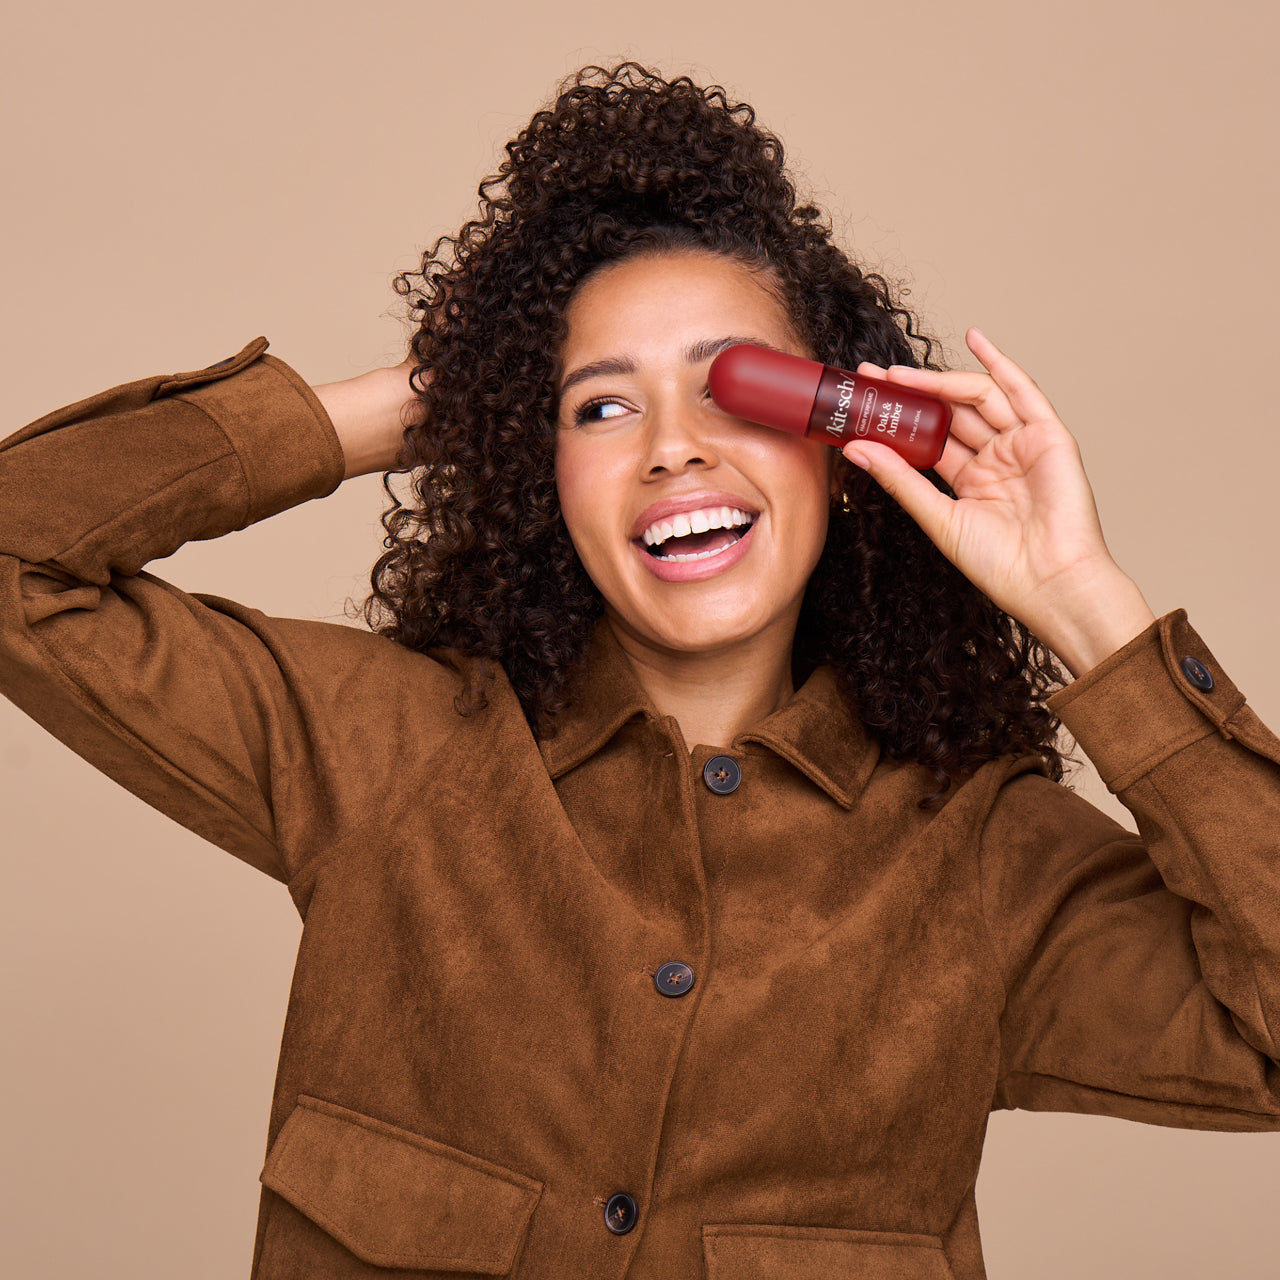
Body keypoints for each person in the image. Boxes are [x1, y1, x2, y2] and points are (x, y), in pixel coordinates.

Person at [1, 60, 1277, 1280]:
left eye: (734, 389)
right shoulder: (382, 748)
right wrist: (419, 400)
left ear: (841, 449)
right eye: (599, 407)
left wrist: (1083, 602)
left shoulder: (983, 858)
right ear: (537, 475)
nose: (670, 447)